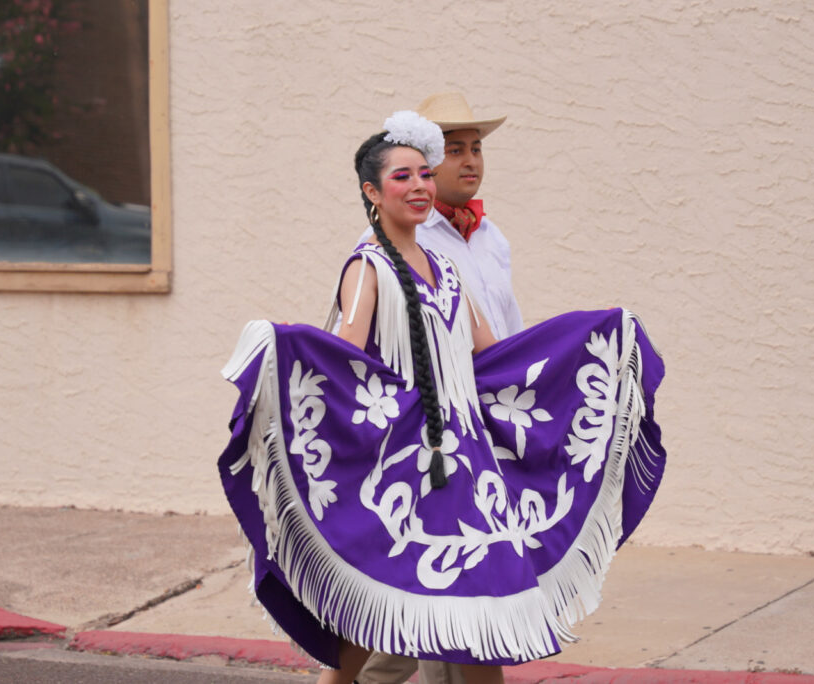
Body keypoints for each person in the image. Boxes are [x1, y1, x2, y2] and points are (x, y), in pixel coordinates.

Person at [217, 112, 666, 684]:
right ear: (372, 193)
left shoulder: (448, 270)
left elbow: (499, 356)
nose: (420, 186)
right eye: (402, 177)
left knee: (475, 618)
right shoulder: (367, 266)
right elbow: (346, 351)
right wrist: (289, 345)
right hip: (409, 463)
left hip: (468, 466)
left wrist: (592, 338)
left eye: (425, 175)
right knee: (382, 632)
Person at [354, 93, 517, 684]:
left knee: (459, 615)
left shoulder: (486, 238)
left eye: (475, 148)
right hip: (419, 445)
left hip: (474, 436)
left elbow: (497, 340)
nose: (468, 161)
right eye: (452, 150)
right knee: (412, 621)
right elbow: (352, 353)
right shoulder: (393, 253)